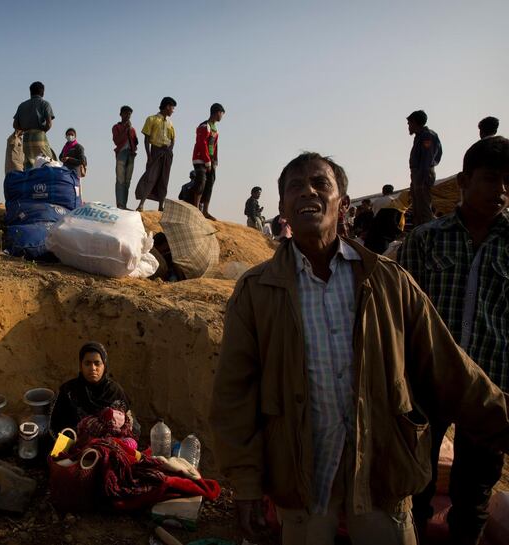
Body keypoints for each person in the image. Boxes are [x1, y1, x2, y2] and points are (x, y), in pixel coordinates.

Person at [210, 151, 509, 545]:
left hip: (381, 470)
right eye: (295, 187)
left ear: (344, 204)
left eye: (320, 184)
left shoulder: (388, 281)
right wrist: (247, 485)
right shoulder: (255, 291)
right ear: (282, 207)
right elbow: (235, 394)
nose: (307, 193)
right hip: (300, 476)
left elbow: (449, 367)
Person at [399, 136, 509, 545]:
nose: (500, 191)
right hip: (427, 386)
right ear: (465, 180)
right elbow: (401, 317)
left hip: (490, 387)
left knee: (474, 496)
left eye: (507, 182)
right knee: (416, 489)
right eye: (490, 179)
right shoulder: (426, 240)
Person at [49, 342, 132, 436]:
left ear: (104, 366)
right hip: (75, 444)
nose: (93, 368)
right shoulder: (69, 391)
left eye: (97, 363)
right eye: (87, 363)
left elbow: (130, 424)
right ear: (81, 366)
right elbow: (55, 425)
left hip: (109, 445)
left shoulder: (115, 392)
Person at [135, 97, 176, 212]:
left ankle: (161, 206)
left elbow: (173, 139)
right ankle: (141, 204)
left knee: (164, 179)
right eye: (172, 108)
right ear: (167, 106)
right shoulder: (151, 119)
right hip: (155, 151)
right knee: (150, 177)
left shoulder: (170, 123)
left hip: (167, 153)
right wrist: (149, 155)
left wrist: (170, 150)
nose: (173, 110)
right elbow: (146, 139)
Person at [407, 110, 442, 226]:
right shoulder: (419, 137)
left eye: (409, 123)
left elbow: (427, 159)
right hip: (418, 174)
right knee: (417, 209)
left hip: (423, 173)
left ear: (415, 122)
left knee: (424, 209)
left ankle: (428, 234)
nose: (408, 126)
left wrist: (420, 179)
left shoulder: (427, 136)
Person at [190, 103, 225, 220]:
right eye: (221, 113)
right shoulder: (204, 126)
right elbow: (202, 143)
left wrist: (214, 161)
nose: (222, 116)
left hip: (210, 160)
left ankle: (205, 211)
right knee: (201, 182)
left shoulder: (215, 128)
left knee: (210, 184)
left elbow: (215, 146)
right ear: (217, 112)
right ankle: (195, 210)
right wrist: (207, 161)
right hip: (200, 159)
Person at [13, 81, 54, 170]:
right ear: (42, 92)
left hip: (26, 138)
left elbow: (15, 125)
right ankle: (45, 183)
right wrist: (42, 131)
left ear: (30, 92)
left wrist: (25, 129)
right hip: (39, 137)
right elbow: (49, 123)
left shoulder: (22, 105)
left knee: (29, 164)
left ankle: (31, 183)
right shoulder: (45, 104)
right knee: (47, 162)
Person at [364, 184, 410, 254]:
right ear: (392, 192)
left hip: (377, 231)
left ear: (383, 191)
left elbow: (374, 214)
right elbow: (391, 222)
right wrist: (401, 233)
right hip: (382, 237)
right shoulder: (393, 203)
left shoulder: (376, 201)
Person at [112, 105, 138, 209]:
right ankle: (120, 204)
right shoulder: (116, 127)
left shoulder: (132, 129)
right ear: (121, 114)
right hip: (121, 153)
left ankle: (124, 204)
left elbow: (135, 141)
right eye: (126, 113)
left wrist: (134, 150)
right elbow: (117, 141)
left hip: (130, 154)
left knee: (127, 181)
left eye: (129, 114)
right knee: (120, 180)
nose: (128, 116)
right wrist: (126, 129)